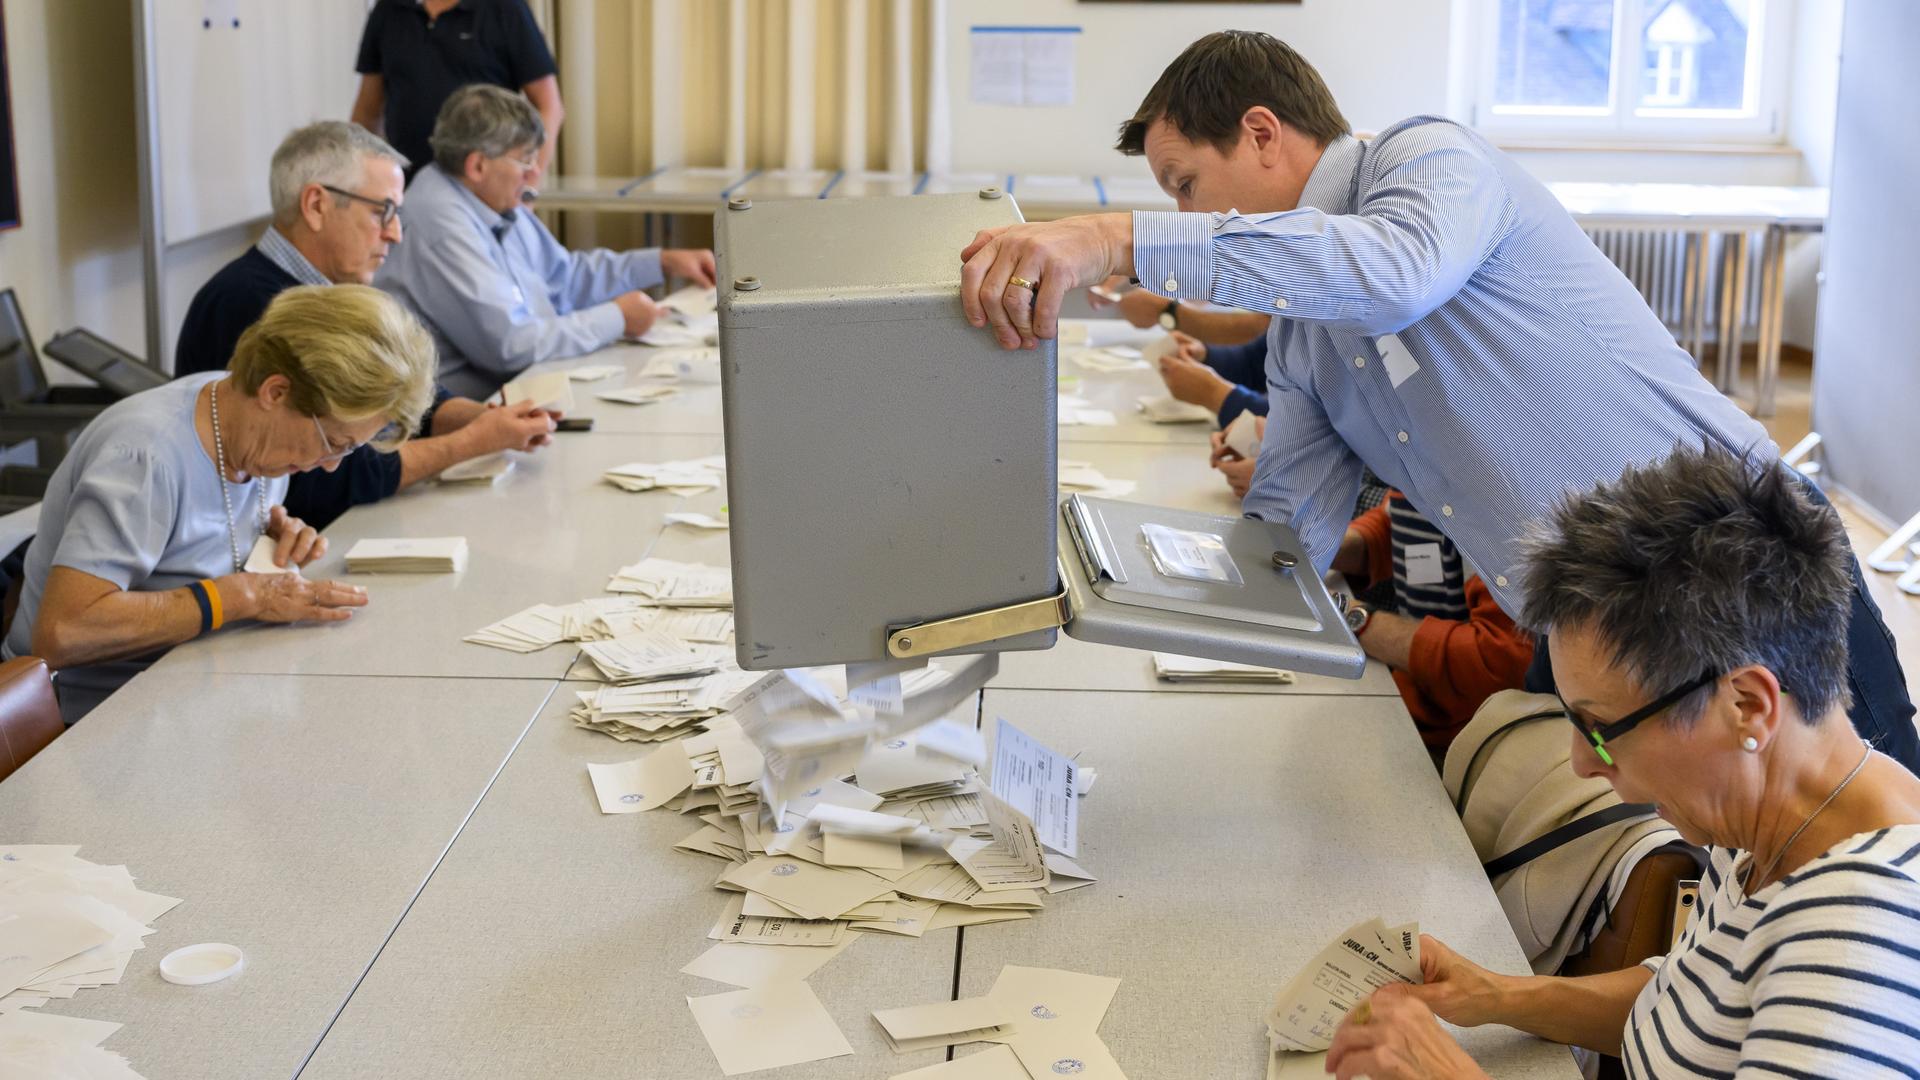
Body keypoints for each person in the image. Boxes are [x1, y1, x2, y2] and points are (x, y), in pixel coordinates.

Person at [956, 29, 1919, 774]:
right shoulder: (1305, 342)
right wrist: (1097, 573)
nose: (1185, 218)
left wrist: (1118, 239)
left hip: (1748, 568)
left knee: (1875, 862)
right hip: (1608, 631)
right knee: (1737, 896)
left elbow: (1396, 274)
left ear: (1261, 134)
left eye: (1186, 187)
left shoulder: (1424, 159)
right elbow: (1282, 540)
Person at [1322, 444, 1920, 1079]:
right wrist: (1492, 995)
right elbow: (1687, 1006)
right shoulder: (1765, 813)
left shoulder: (1861, 932)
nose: (1581, 762)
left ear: (1747, 705)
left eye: (1602, 728)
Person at [3, 287, 437, 723]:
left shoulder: (243, 422)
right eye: (333, 444)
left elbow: (197, 531)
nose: (327, 467)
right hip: (78, 721)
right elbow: (64, 631)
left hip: (184, 691)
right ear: (276, 391)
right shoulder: (145, 458)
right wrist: (241, 596)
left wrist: (265, 542)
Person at [177, 120, 558, 529]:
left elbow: (401, 393)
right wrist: (474, 442)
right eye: (384, 212)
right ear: (317, 206)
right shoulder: (252, 304)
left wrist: (487, 419)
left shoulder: (331, 290)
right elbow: (329, 477)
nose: (395, 234)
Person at [376, 84, 717, 399]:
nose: (534, 173)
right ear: (478, 165)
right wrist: (617, 318)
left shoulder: (489, 198)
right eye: (525, 159)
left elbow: (565, 279)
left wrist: (660, 262)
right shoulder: (439, 222)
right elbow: (510, 346)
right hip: (470, 408)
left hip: (527, 386)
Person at [351, 0, 564, 177]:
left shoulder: (506, 8)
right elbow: (367, 113)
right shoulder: (388, 10)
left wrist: (528, 184)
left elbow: (550, 107)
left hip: (484, 187)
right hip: (406, 183)